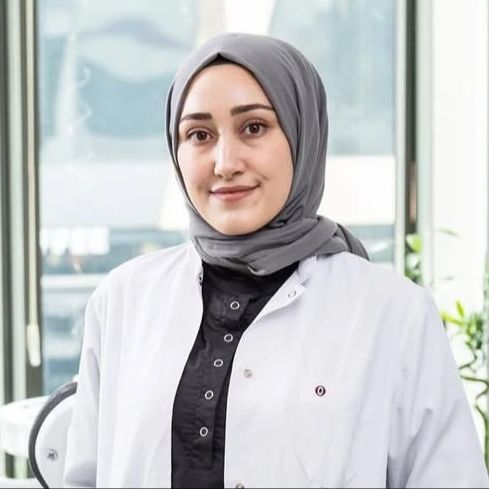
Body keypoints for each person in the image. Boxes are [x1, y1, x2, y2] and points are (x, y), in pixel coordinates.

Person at [63, 32, 489, 488]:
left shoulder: (393, 312)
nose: (225, 163)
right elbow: (84, 478)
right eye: (199, 135)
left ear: (303, 133)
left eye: (253, 128)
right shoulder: (123, 299)